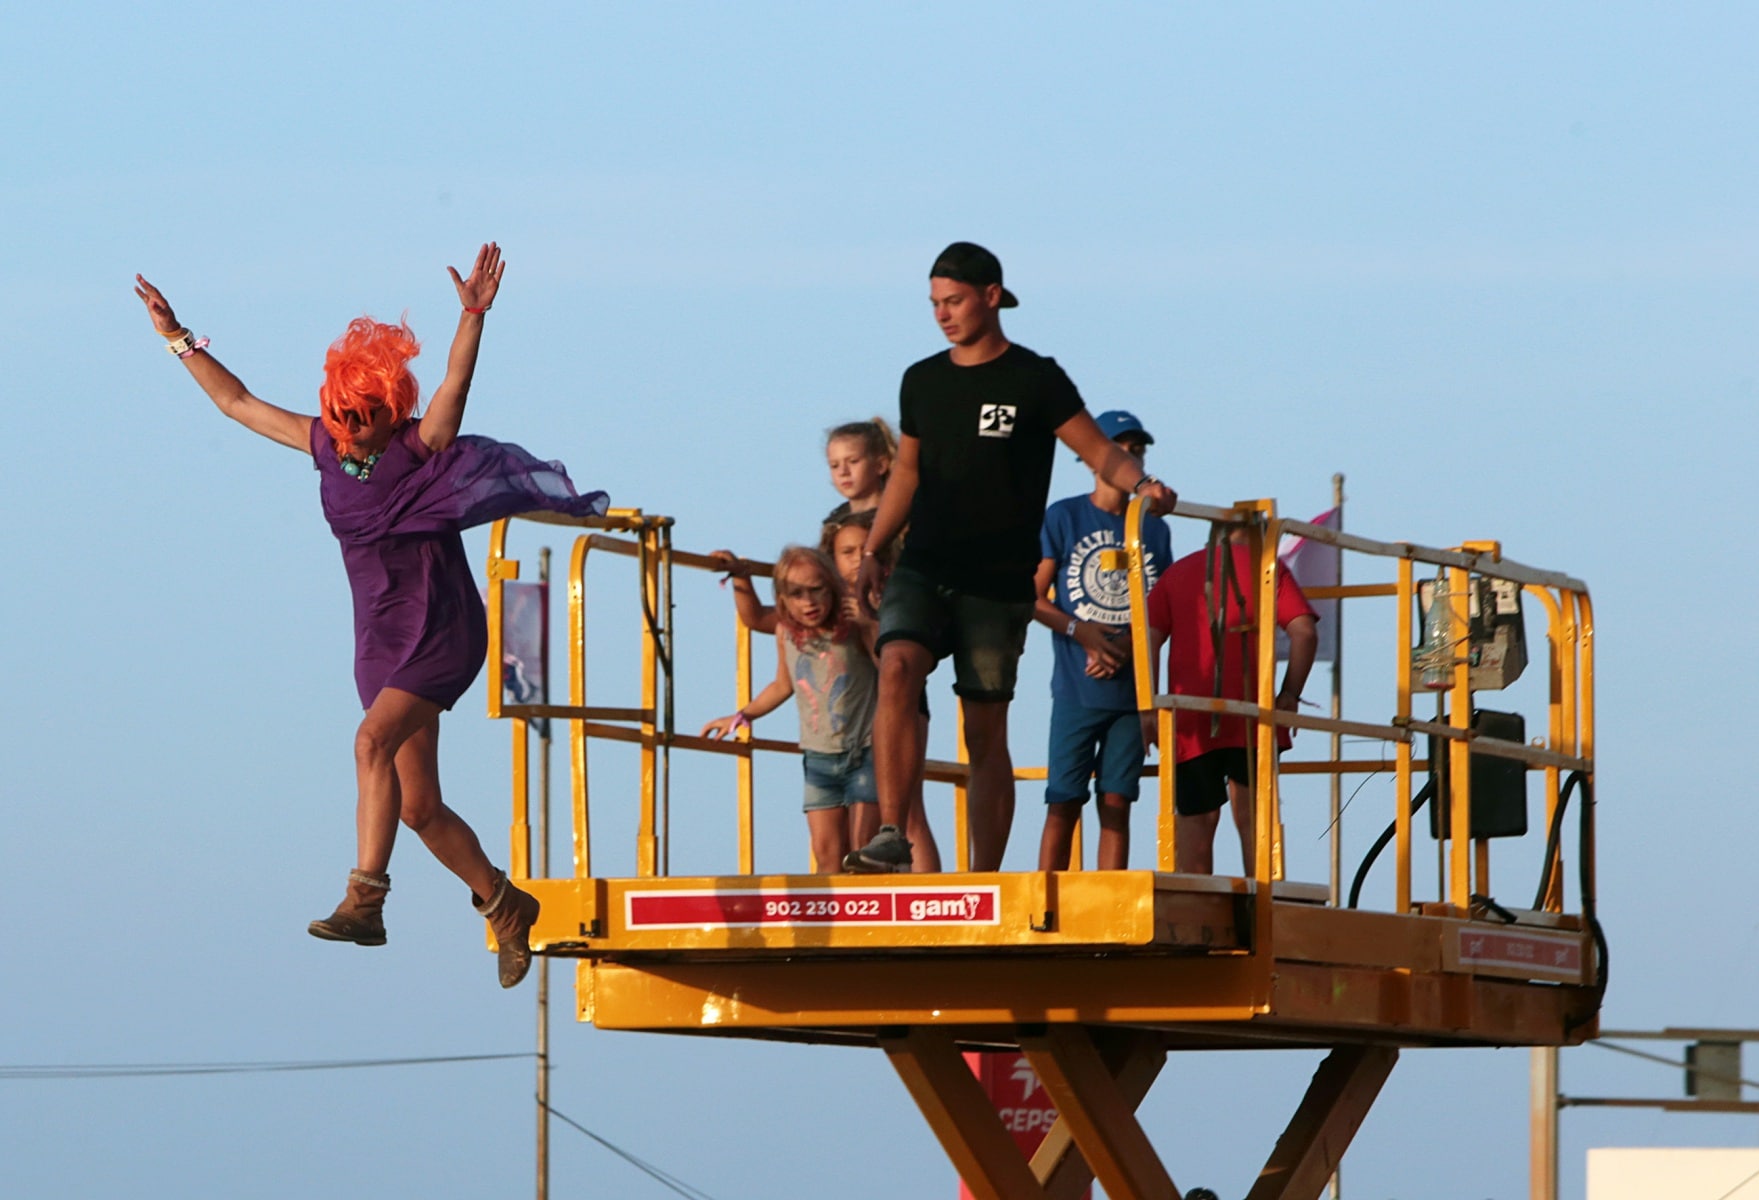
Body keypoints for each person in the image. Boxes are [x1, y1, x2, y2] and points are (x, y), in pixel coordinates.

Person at [133, 244, 608, 988]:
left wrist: (472, 317)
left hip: (441, 628)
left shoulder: (419, 448)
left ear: (391, 411)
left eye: (362, 417)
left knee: (368, 743)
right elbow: (237, 403)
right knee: (418, 808)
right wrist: (177, 336)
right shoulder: (323, 445)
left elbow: (455, 385)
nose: (348, 428)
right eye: (341, 414)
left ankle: (366, 900)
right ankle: (504, 903)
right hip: (380, 639)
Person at [846, 242, 1178, 873]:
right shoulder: (922, 379)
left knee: (984, 729)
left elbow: (1100, 451)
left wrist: (1144, 485)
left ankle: (984, 876)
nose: (943, 314)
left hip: (997, 581)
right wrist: (872, 548)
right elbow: (907, 472)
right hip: (925, 564)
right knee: (897, 667)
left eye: (954, 301)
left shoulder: (1034, 378)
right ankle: (890, 832)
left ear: (991, 296)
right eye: (935, 304)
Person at [1033, 411, 1174, 871]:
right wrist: (1083, 633)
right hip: (1077, 687)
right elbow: (1032, 597)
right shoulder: (1065, 516)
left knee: (1117, 801)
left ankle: (1110, 899)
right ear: (1093, 457)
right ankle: (1046, 896)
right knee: (1063, 799)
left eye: (1138, 451)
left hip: (1132, 694)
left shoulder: (1155, 528)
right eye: (1120, 449)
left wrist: (1131, 650)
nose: (1130, 458)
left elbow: (1163, 606)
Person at [1143, 525, 1319, 875]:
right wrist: (1289, 693)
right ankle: (1262, 899)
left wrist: (1148, 707)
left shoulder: (1178, 572)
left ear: (1212, 535)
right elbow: (1304, 632)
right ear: (1261, 535)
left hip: (1190, 714)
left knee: (1197, 819)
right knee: (1253, 816)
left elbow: (1147, 639)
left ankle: (1197, 902)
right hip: (1255, 714)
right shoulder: (1267, 571)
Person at [701, 546, 879, 871]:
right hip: (819, 755)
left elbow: (886, 665)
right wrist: (742, 715)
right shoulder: (786, 632)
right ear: (783, 599)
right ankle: (832, 903)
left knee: (863, 847)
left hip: (864, 750)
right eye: (796, 594)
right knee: (826, 852)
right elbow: (782, 682)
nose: (808, 602)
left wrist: (869, 625)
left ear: (833, 589)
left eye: (816, 590)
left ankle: (868, 899)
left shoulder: (852, 627)